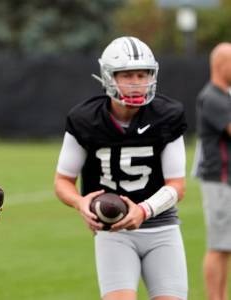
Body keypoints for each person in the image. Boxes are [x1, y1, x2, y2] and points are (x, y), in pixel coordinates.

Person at [54, 36, 188, 300]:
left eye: (142, 74)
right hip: (113, 230)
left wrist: (143, 210)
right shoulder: (85, 119)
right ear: (108, 77)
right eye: (127, 75)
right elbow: (62, 181)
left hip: (162, 228)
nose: (137, 83)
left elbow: (178, 186)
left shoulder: (167, 115)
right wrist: (80, 203)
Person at [193, 42, 231, 300]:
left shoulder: (223, 96)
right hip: (219, 180)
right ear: (221, 65)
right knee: (218, 246)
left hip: (226, 180)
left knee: (225, 246)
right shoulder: (213, 97)